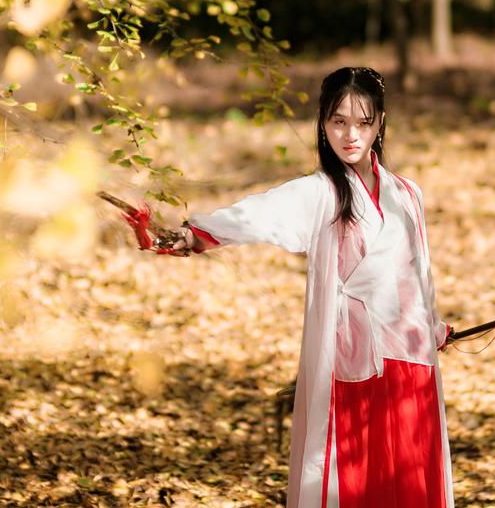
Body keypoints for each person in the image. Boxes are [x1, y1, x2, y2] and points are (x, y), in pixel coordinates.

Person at [147, 66, 454, 508]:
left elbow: (418, 273)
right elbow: (260, 213)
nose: (350, 135)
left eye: (363, 122)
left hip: (409, 357)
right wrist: (194, 235)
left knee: (407, 481)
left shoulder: (408, 194)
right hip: (352, 359)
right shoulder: (321, 192)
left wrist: (434, 326)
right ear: (323, 122)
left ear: (381, 123)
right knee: (354, 481)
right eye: (338, 121)